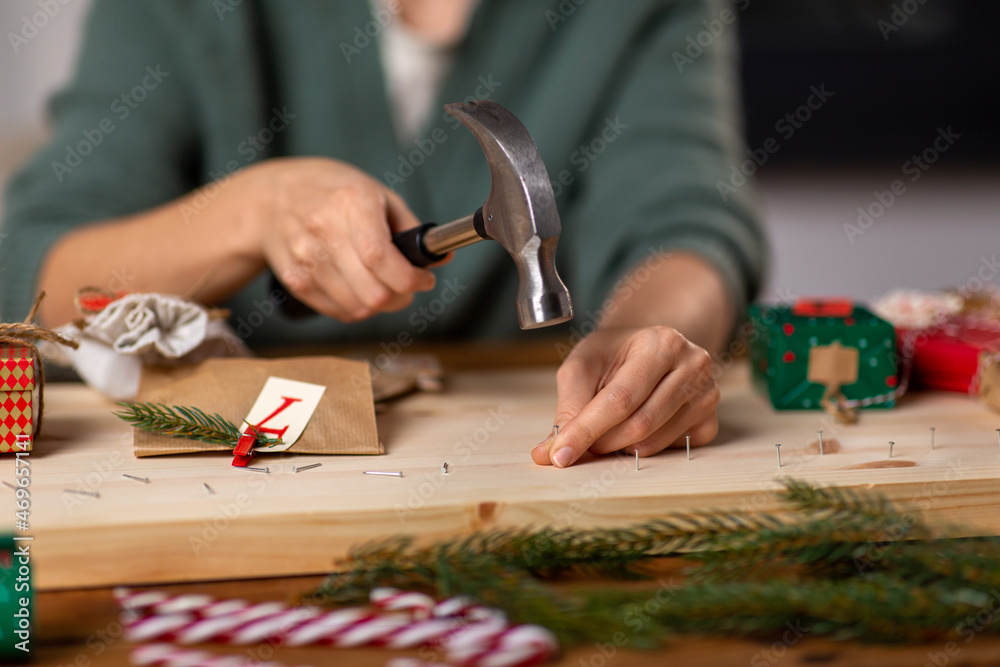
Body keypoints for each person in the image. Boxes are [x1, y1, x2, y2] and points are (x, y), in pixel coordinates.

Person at [0, 0, 767, 468]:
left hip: (518, 466)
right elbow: (35, 277)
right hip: (229, 471)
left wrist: (648, 335)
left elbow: (686, 223)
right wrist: (251, 213)